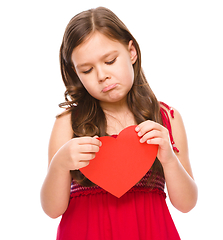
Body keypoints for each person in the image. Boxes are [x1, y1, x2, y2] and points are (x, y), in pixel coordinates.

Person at [41, 7, 198, 240]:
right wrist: (60, 164)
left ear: (131, 52)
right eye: (87, 70)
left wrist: (169, 160)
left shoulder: (167, 118)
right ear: (76, 74)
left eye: (110, 61)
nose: (102, 75)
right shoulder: (68, 123)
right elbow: (52, 209)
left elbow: (187, 204)